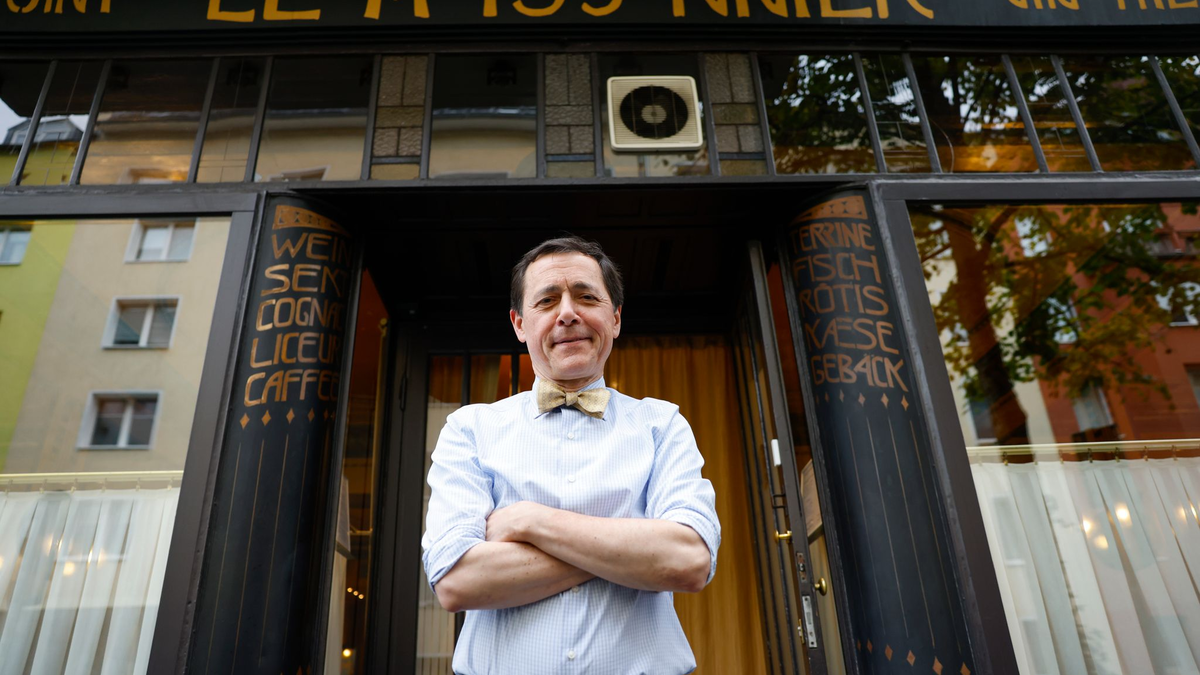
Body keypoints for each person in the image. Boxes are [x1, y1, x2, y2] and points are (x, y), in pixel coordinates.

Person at [420, 235, 720, 674]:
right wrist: (631, 550)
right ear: (520, 324)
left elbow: (688, 561)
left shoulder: (662, 425)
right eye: (546, 301)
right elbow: (456, 581)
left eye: (586, 296)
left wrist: (526, 521)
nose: (567, 313)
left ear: (614, 318)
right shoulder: (470, 429)